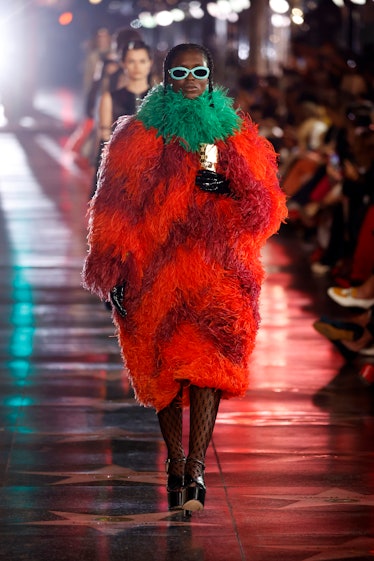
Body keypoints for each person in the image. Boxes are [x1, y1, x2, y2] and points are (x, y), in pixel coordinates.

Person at [82, 43, 287, 514]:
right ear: (165, 76)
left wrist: (233, 187)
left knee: (209, 368)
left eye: (199, 70)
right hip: (155, 270)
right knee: (166, 368)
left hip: (220, 269)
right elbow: (114, 205)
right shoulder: (137, 136)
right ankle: (176, 461)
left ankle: (195, 466)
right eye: (181, 70)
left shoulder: (235, 133)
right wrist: (111, 265)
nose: (191, 77)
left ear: (211, 75)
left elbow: (268, 205)